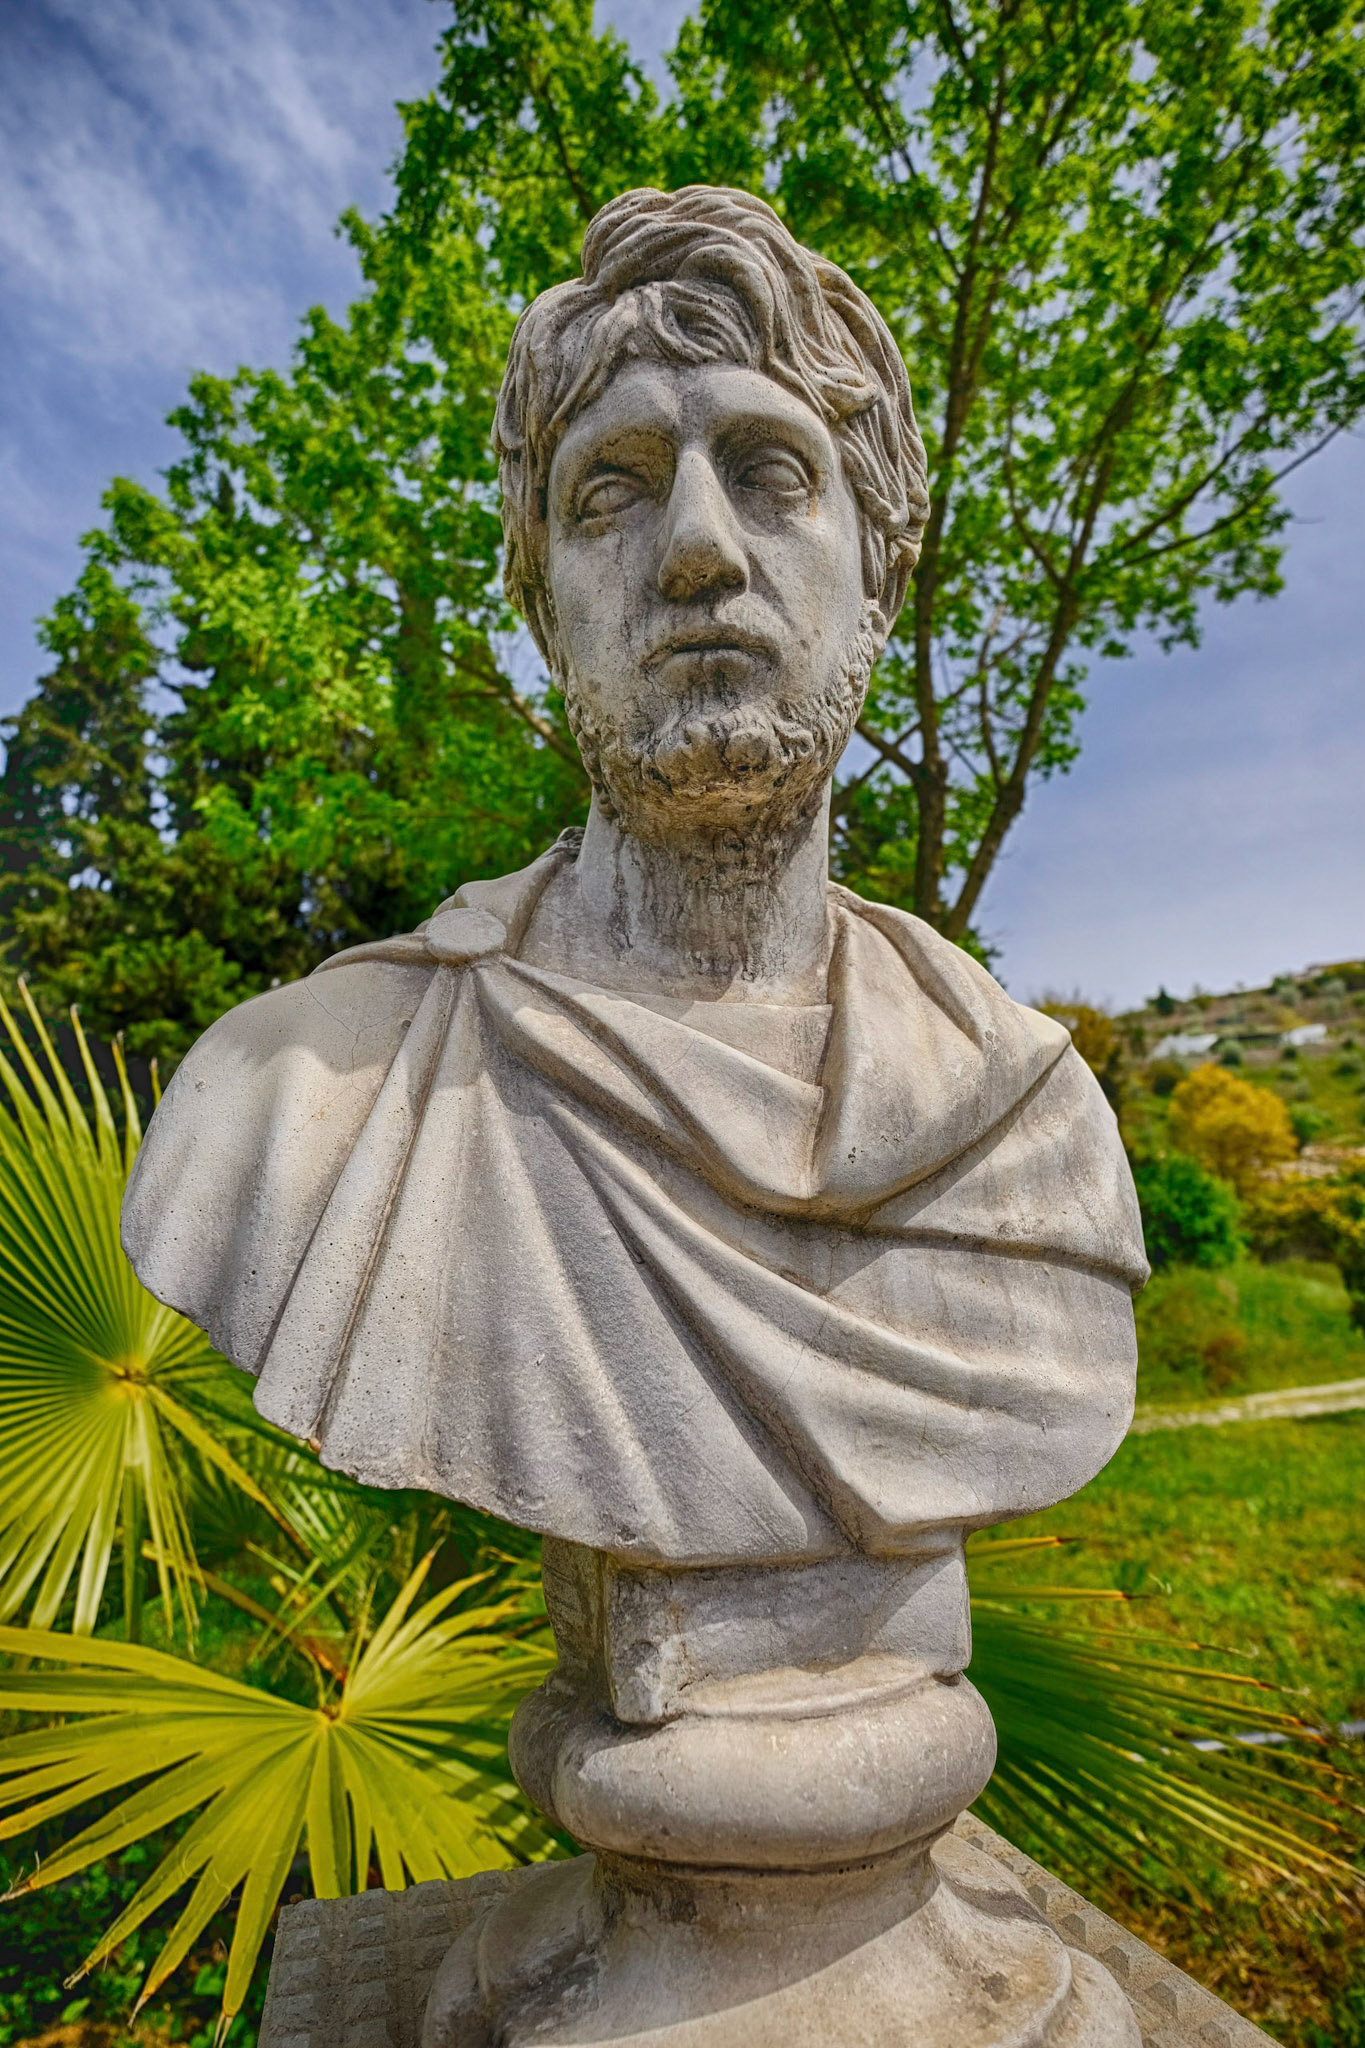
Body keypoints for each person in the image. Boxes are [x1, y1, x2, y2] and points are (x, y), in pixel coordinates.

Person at [123, 185, 1146, 1567]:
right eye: (612, 491)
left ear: (881, 578)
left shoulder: (1026, 1127)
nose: (700, 552)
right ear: (544, 610)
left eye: (771, 473)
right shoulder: (296, 1102)